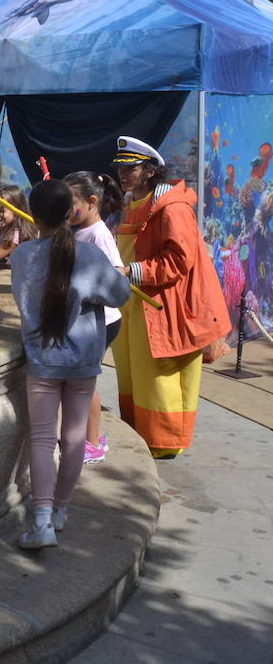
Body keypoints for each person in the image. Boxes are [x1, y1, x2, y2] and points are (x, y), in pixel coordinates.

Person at [10, 180, 131, 550]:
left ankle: (42, 521)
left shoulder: (21, 255)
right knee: (75, 437)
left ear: (32, 214)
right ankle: (61, 510)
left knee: (43, 440)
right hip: (82, 360)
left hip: (43, 362)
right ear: (70, 212)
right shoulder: (90, 256)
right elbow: (120, 294)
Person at [111, 135, 230, 458]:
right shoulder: (130, 202)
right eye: (121, 168)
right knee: (133, 371)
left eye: (131, 168)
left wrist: (132, 272)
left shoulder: (171, 209)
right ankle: (140, 432)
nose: (124, 174)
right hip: (135, 300)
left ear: (149, 171)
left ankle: (163, 442)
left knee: (159, 375)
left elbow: (178, 261)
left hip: (166, 305)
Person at [64, 170, 127, 464]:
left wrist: (88, 290)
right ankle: (91, 435)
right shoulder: (77, 229)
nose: (67, 210)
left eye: (71, 203)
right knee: (79, 380)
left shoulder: (99, 234)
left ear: (92, 201)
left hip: (103, 320)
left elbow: (115, 276)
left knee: (84, 382)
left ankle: (93, 442)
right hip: (86, 320)